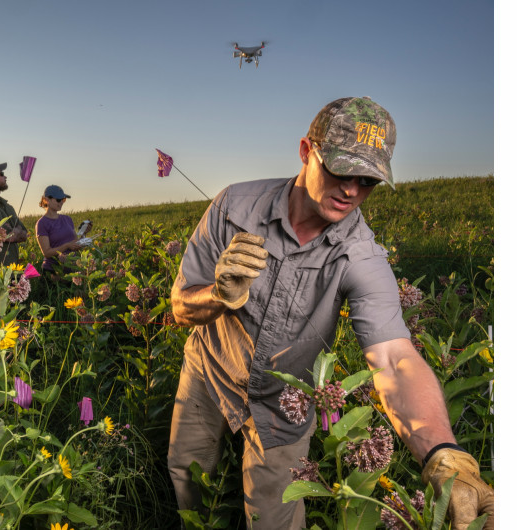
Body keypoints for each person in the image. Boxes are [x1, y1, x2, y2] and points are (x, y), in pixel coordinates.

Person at [167, 97, 493, 530]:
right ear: (307, 151)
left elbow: (395, 360)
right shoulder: (234, 208)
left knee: (273, 520)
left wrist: (444, 456)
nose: (352, 191)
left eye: (369, 180)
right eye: (341, 170)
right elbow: (180, 307)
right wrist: (219, 295)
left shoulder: (360, 255)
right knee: (189, 483)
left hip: (284, 404)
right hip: (210, 372)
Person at [34, 184, 93, 279]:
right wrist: (66, 246)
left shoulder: (67, 219)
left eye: (63, 199)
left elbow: (75, 244)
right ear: (46, 200)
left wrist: (84, 233)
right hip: (54, 271)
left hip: (72, 268)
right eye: (58, 200)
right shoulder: (42, 223)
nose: (61, 202)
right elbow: (46, 252)